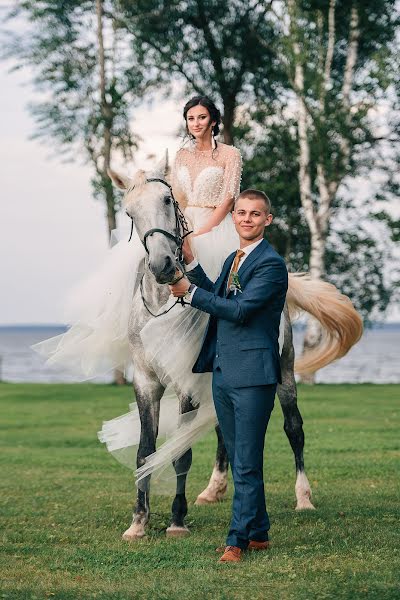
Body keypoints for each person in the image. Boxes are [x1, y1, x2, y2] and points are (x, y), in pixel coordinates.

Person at [169, 190, 288, 563]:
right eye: (241, 213)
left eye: (255, 214)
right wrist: (191, 268)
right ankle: (259, 532)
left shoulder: (270, 264)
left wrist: (188, 293)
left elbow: (238, 311)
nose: (247, 219)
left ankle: (236, 541)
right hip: (223, 372)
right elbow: (216, 294)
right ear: (233, 217)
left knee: (248, 461)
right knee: (239, 459)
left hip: (253, 375)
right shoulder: (233, 258)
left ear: (267, 220)